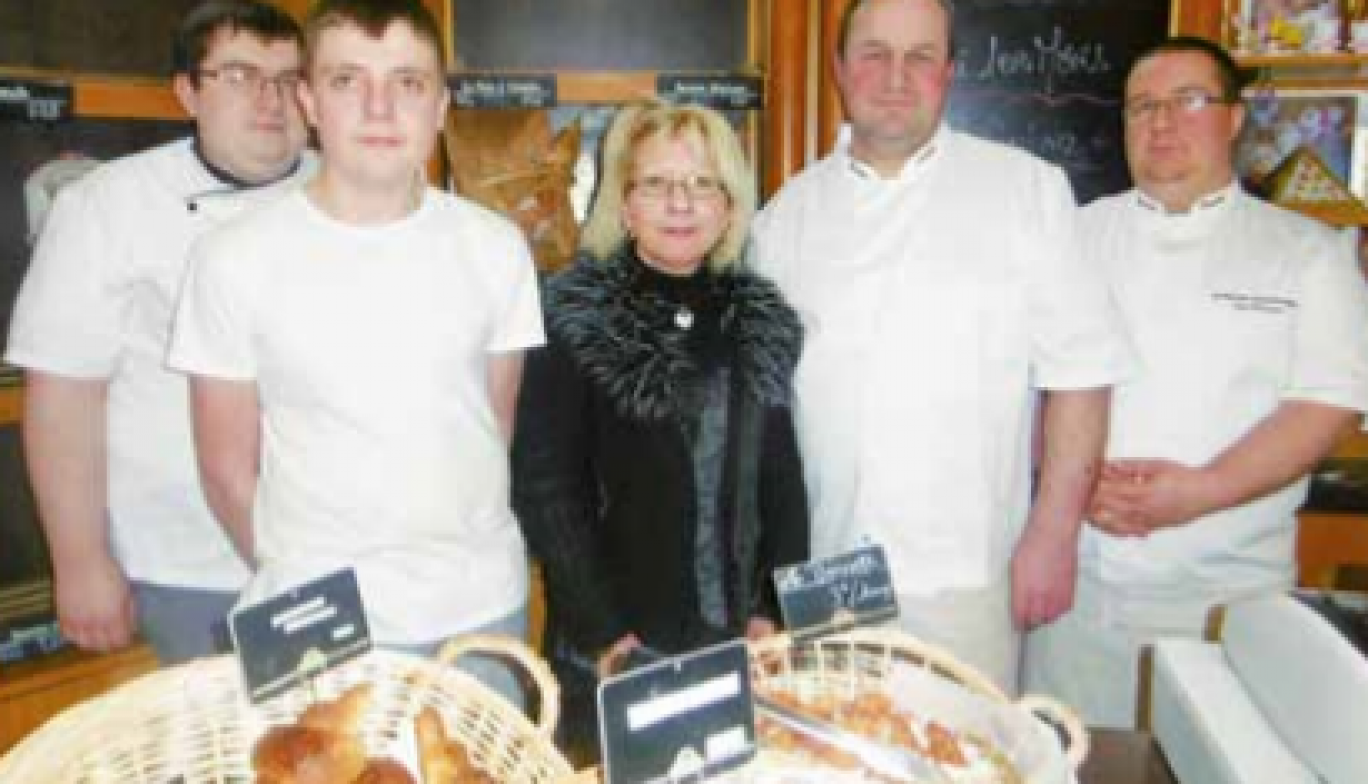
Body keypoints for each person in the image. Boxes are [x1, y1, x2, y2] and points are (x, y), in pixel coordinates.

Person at [752, 0, 1134, 694]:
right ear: (840, 71)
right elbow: (762, 420)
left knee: (970, 761)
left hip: (970, 578)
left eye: (920, 56)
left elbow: (1081, 374)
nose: (895, 76)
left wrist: (1053, 536)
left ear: (950, 72)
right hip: (825, 574)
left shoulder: (1027, 192)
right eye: (873, 53)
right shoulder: (783, 220)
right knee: (840, 756)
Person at [167, 0, 543, 701]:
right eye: (347, 81)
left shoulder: (496, 249)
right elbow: (225, 471)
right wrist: (311, 583)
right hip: (318, 622)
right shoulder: (232, 259)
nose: (379, 109)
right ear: (309, 100)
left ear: (440, 106)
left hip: (480, 612)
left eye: (406, 83)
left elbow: (491, 427)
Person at [1024, 36, 1368, 728]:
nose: (1161, 123)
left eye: (1188, 101)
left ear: (1235, 118)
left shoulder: (1307, 253)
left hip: (1225, 600)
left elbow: (1326, 405)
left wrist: (1201, 491)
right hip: (1078, 596)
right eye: (1141, 107)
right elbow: (1026, 386)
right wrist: (1067, 482)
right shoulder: (1071, 238)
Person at [5, 0, 310, 665]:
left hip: (337, 549)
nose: (270, 100)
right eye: (239, 75)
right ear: (186, 93)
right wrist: (80, 561)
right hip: (187, 562)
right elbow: (63, 397)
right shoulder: (105, 206)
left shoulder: (343, 192)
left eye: (289, 79)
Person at [512, 101, 808, 756]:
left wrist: (772, 611)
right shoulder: (571, 318)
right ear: (624, 201)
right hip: (615, 648)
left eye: (704, 184)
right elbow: (546, 489)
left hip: (737, 642)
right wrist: (606, 636)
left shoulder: (763, 322)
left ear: (731, 206)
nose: (682, 203)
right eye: (657, 183)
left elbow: (783, 482)